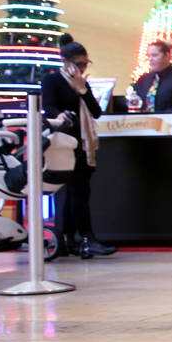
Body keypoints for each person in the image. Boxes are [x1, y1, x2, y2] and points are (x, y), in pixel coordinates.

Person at [41, 34, 115, 259]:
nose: (83, 68)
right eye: (79, 64)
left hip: (83, 146)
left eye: (86, 64)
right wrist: (60, 114)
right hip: (64, 143)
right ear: (66, 62)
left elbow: (96, 111)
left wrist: (82, 88)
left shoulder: (82, 83)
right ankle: (79, 238)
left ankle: (78, 239)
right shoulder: (52, 80)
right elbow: (48, 107)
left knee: (81, 191)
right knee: (70, 193)